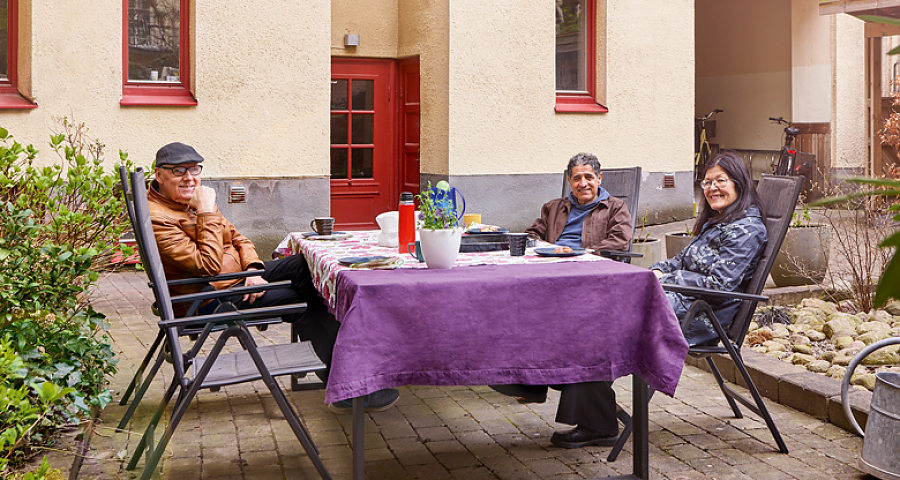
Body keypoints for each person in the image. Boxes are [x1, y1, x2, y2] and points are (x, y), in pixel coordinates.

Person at [147, 141, 399, 414]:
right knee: (313, 295)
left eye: (194, 169)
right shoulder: (162, 216)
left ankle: (345, 378)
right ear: (159, 175)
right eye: (178, 170)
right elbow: (206, 266)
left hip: (236, 278)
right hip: (208, 298)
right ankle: (350, 384)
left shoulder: (188, 202)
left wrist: (254, 270)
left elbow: (238, 238)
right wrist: (207, 211)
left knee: (309, 268)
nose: (189, 177)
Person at [490, 152, 633, 449]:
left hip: (591, 283)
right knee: (511, 305)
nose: (583, 183)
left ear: (599, 178)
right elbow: (533, 234)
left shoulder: (615, 207)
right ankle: (528, 381)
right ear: (569, 180)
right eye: (577, 178)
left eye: (589, 177)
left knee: (578, 330)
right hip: (552, 280)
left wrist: (578, 254)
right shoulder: (554, 207)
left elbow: (620, 241)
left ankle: (595, 422)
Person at [650, 151, 767, 346]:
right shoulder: (720, 221)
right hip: (683, 302)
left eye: (720, 181)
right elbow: (681, 260)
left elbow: (719, 285)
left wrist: (667, 279)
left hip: (703, 316)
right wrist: (658, 270)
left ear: (739, 183)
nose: (713, 188)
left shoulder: (746, 230)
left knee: (628, 314)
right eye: (707, 182)